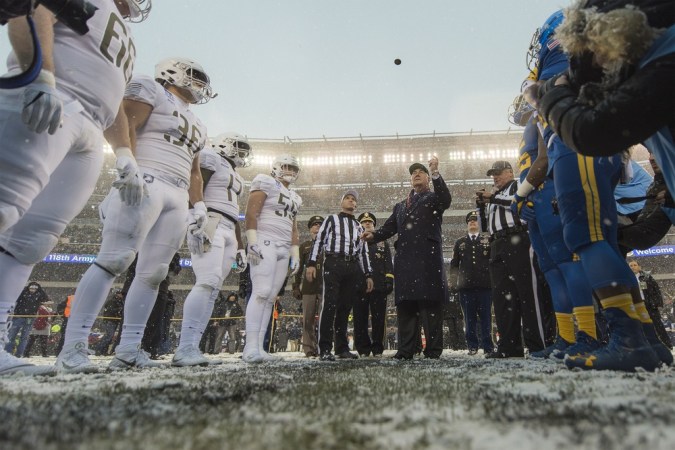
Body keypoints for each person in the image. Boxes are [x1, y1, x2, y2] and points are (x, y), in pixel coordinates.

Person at [0, 0, 151, 376]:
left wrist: (125, 154)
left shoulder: (125, 33)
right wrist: (40, 76)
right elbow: (29, 12)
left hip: (89, 127)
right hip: (56, 99)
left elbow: (114, 97)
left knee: (33, 240)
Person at [526, 7, 671, 370]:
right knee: (600, 242)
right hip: (589, 152)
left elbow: (592, 131)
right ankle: (645, 339)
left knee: (586, 238)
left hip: (578, 152)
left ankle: (629, 340)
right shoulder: (648, 62)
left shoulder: (656, 60)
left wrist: (550, 97)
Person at [55, 56, 214, 373]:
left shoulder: (199, 123)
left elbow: (195, 170)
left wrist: (199, 206)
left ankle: (129, 349)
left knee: (154, 274)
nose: (199, 84)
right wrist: (126, 161)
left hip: (178, 193)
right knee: (114, 259)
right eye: (194, 76)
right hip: (147, 180)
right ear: (173, 72)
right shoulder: (151, 88)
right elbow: (123, 119)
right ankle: (72, 348)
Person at [534, 1, 675, 199]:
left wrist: (552, 97)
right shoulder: (657, 53)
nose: (599, 65)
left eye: (593, 49)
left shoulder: (664, 63)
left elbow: (593, 133)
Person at [362, 157, 451, 360]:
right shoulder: (400, 206)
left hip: (428, 260)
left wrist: (436, 173)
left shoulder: (433, 198)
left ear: (428, 178)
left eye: (421, 172)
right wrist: (374, 235)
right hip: (405, 262)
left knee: (430, 307)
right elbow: (389, 228)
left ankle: (433, 350)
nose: (416, 174)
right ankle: (405, 350)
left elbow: (446, 199)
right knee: (406, 307)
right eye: (413, 173)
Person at [173, 133, 250, 366]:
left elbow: (234, 213)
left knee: (214, 289)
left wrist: (241, 248)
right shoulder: (209, 157)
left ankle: (193, 347)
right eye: (239, 147)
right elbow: (195, 185)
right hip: (210, 221)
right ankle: (185, 346)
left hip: (229, 227)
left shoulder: (237, 176)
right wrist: (192, 217)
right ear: (223, 144)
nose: (243, 153)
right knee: (207, 281)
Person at [477, 160, 554, 358]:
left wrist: (492, 198)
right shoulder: (493, 197)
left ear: (510, 172)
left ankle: (538, 344)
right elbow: (485, 228)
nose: (495, 177)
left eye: (499, 173)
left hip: (518, 238)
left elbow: (517, 202)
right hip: (497, 243)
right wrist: (481, 207)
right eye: (493, 174)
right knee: (503, 297)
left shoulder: (520, 184)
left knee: (528, 293)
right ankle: (509, 346)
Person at [242, 154, 302, 363]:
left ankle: (259, 347)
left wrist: (295, 251)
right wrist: (252, 240)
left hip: (284, 247)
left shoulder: (295, 196)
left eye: (294, 168)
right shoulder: (265, 181)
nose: (290, 171)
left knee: (270, 298)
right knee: (261, 292)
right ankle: (250, 347)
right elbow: (251, 213)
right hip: (265, 240)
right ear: (276, 167)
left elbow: (293, 226)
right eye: (286, 166)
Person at [306, 191, 374, 361]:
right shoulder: (331, 219)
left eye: (354, 199)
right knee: (329, 305)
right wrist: (311, 263)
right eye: (348, 198)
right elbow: (319, 240)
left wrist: (368, 274)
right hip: (334, 262)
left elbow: (363, 252)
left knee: (344, 308)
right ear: (341, 202)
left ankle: (341, 348)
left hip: (351, 266)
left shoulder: (359, 226)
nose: (351, 201)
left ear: (356, 205)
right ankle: (325, 348)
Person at [449, 212, 494, 355]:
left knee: (486, 318)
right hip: (466, 287)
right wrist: (453, 281)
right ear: (467, 224)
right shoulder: (460, 243)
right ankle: (472, 346)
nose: (472, 223)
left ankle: (488, 346)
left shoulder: (488, 240)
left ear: (479, 224)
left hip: (485, 286)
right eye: (470, 221)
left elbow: (493, 262)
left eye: (475, 221)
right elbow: (454, 264)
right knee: (469, 319)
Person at [353, 212, 393, 358]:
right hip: (360, 285)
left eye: (370, 222)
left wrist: (389, 279)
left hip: (379, 286)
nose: (367, 224)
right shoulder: (356, 241)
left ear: (374, 225)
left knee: (379, 319)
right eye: (364, 222)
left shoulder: (383, 242)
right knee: (360, 318)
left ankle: (377, 347)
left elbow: (388, 263)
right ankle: (363, 348)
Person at [292, 215, 324, 357]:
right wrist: (295, 286)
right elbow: (298, 269)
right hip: (309, 287)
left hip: (325, 286)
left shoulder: (330, 245)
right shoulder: (304, 246)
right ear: (310, 228)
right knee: (307, 320)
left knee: (325, 319)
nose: (317, 227)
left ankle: (324, 347)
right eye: (314, 225)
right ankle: (309, 349)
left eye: (320, 225)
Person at [629, 259, 672, 350]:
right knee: (640, 327)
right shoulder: (627, 279)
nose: (633, 267)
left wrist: (656, 303)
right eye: (631, 266)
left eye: (635, 265)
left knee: (658, 325)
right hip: (636, 306)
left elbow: (656, 290)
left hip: (649, 305)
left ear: (639, 267)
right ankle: (645, 347)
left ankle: (667, 344)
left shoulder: (646, 277)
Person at [5, 281, 49, 357]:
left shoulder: (39, 294)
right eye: (31, 288)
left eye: (35, 288)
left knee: (24, 338)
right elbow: (16, 298)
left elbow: (46, 298)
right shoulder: (23, 293)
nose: (33, 290)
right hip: (18, 317)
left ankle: (19, 354)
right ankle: (8, 353)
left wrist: (40, 289)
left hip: (30, 318)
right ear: (28, 288)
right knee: (11, 336)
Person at [92, 289, 125, 356]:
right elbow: (111, 310)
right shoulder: (112, 301)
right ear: (117, 294)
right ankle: (98, 349)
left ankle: (103, 351)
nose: (121, 295)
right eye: (120, 293)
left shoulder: (120, 301)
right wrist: (120, 309)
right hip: (110, 321)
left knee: (109, 337)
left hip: (114, 321)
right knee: (108, 336)